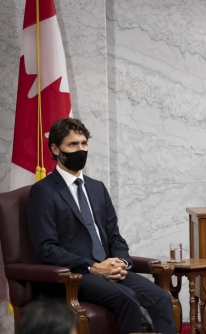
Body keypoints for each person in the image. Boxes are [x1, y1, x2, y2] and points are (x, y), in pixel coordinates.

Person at [27, 118, 176, 334]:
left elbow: (115, 237)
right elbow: (46, 250)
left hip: (109, 270)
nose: (81, 149)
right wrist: (93, 267)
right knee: (128, 299)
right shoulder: (44, 191)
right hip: (76, 275)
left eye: (84, 143)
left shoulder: (97, 188)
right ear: (55, 149)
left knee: (161, 297)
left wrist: (121, 263)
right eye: (73, 145)